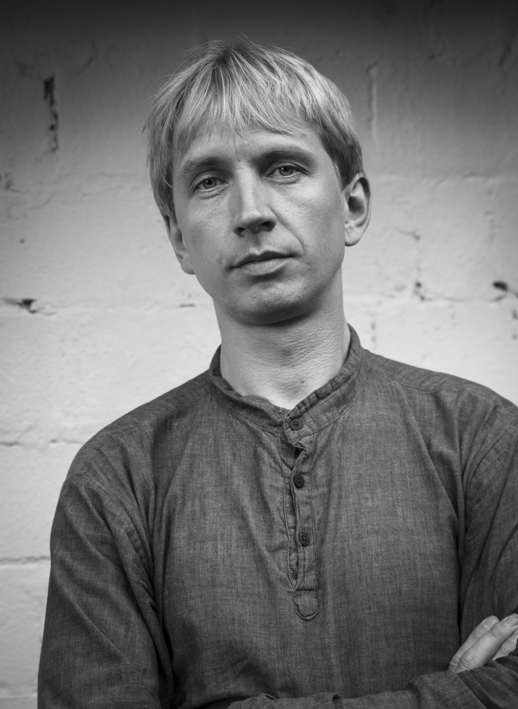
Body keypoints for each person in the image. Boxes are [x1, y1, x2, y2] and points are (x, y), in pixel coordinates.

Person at [38, 40, 518, 708]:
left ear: (352, 207)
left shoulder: (484, 439)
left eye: (284, 167)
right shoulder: (115, 480)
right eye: (210, 181)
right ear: (178, 237)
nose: (251, 212)